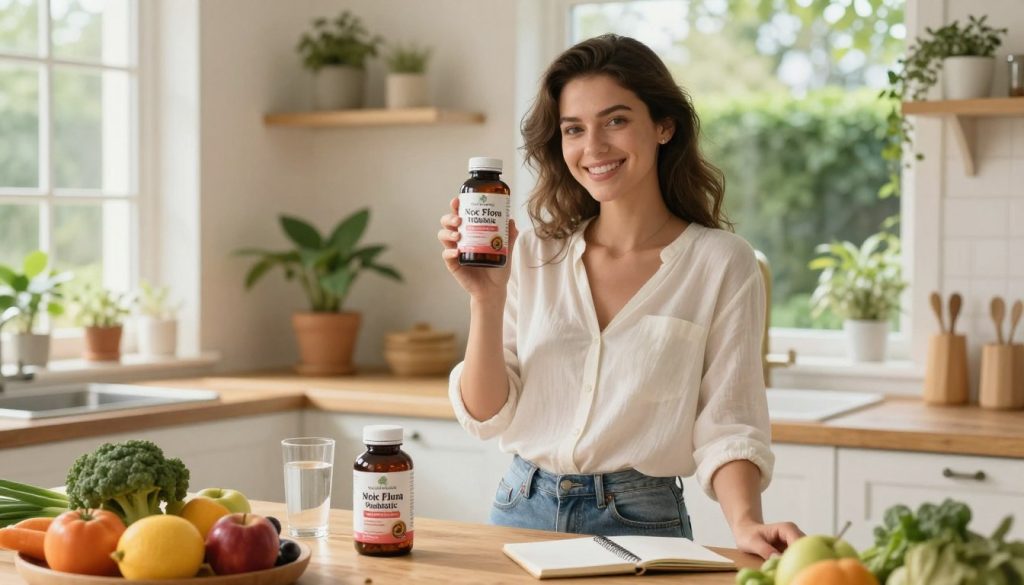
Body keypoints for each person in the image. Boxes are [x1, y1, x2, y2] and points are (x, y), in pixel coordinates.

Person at [436, 34, 803, 559]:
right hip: (519, 511)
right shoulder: (535, 251)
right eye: (574, 129)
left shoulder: (721, 262)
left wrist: (745, 523)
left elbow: (730, 421)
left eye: (615, 120)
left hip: (641, 524)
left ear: (663, 125)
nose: (594, 148)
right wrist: (484, 300)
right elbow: (487, 413)